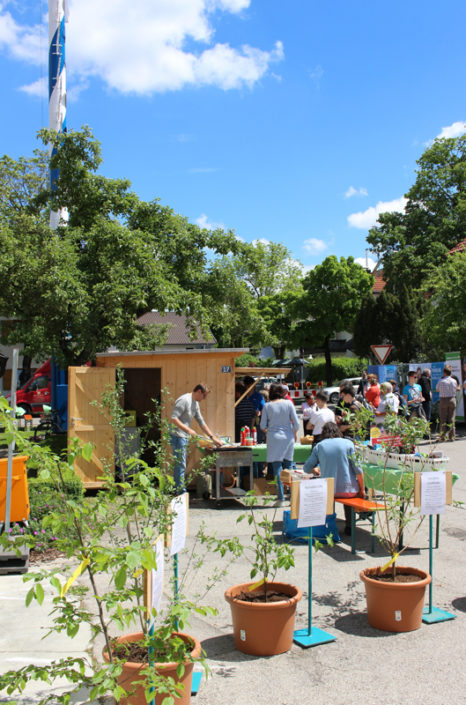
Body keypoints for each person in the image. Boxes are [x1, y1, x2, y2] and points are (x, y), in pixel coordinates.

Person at [303, 422, 364, 535]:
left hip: (328, 490)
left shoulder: (319, 446)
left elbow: (306, 468)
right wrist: (362, 489)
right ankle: (350, 526)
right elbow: (358, 469)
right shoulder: (348, 443)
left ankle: (329, 526)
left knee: (326, 498)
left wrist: (314, 470)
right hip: (348, 489)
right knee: (350, 499)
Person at [170, 383, 222, 493]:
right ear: (199, 392)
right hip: (177, 436)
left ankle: (178, 491)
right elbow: (174, 419)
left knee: (181, 464)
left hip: (183, 436)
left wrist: (213, 438)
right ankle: (180, 493)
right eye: (204, 396)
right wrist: (188, 430)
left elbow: (201, 422)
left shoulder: (195, 404)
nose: (204, 398)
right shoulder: (184, 400)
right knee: (180, 464)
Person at [260, 382, 300, 505]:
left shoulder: (267, 406)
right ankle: (293, 496)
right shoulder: (288, 404)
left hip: (274, 437)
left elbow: (262, 425)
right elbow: (297, 424)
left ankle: (280, 497)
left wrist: (269, 431)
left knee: (277, 468)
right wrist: (292, 432)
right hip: (288, 437)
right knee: (289, 467)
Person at [436, 365, 460, 441]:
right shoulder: (454, 381)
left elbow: (437, 389)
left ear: (444, 373)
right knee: (451, 418)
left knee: (443, 419)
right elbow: (457, 389)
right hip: (452, 399)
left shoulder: (441, 381)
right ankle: (452, 436)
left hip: (443, 400)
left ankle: (442, 436)